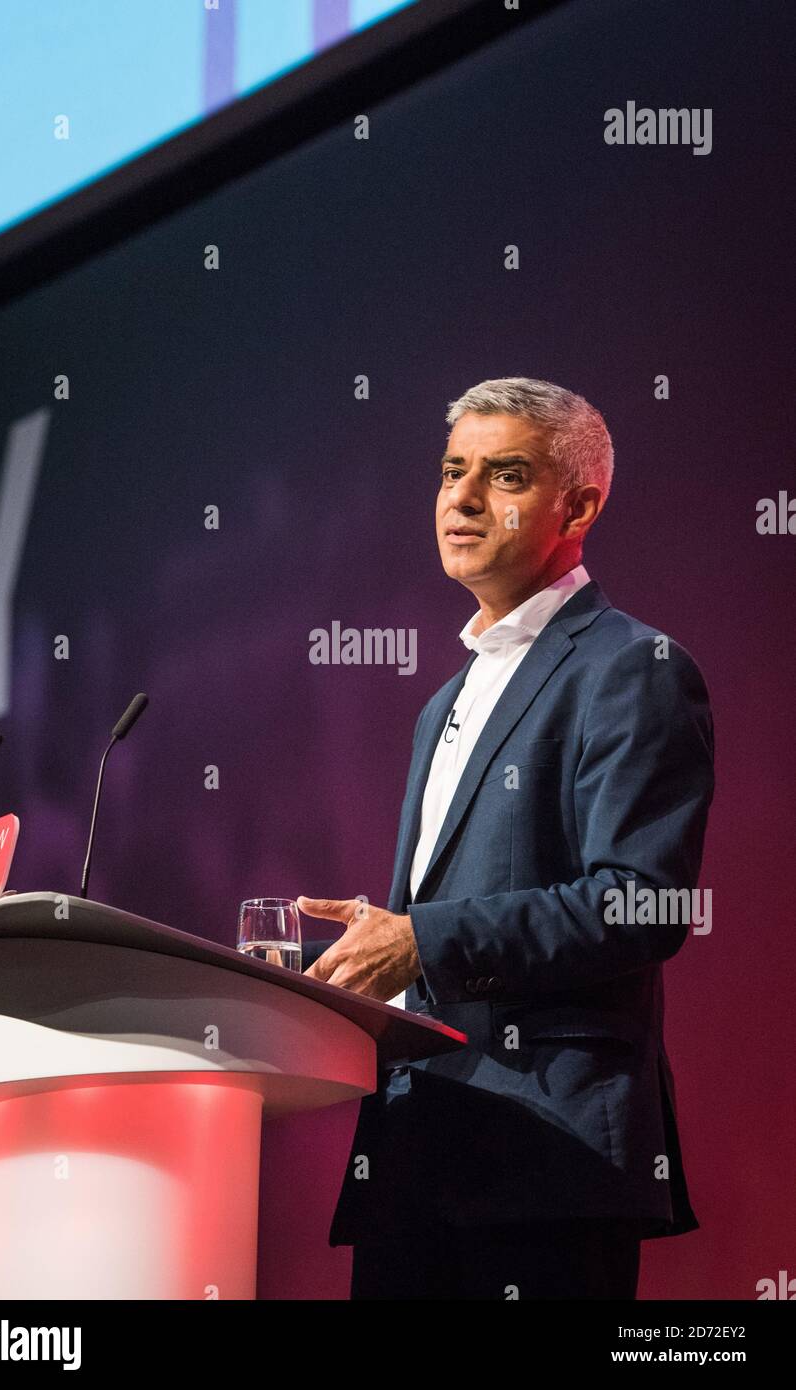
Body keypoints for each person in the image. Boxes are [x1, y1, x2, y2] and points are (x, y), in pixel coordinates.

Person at [298, 377, 714, 1300]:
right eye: (453, 471)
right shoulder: (443, 703)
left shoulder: (630, 669)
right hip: (417, 1152)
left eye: (506, 474)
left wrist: (423, 940)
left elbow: (640, 904)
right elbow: (463, 909)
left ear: (581, 504)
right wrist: (381, 956)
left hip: (546, 1159)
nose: (464, 497)